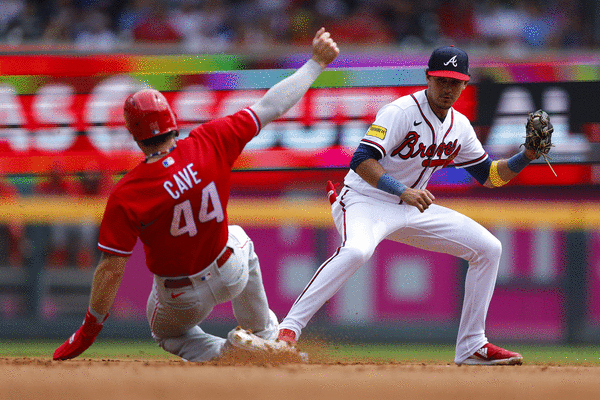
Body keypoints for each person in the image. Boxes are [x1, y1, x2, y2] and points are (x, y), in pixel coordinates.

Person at [53, 27, 339, 362]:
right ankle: (265, 338)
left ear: (134, 135)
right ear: (172, 121)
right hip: (229, 269)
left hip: (180, 296)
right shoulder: (210, 139)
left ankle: (231, 354)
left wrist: (89, 330)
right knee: (239, 238)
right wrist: (316, 63)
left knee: (167, 333)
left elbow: (111, 269)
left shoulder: (128, 191)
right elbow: (272, 105)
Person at [278, 45, 538, 366]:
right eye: (441, 80)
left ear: (465, 84)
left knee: (489, 248)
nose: (447, 88)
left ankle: (472, 345)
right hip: (365, 199)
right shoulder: (400, 111)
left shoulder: (460, 126)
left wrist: (525, 156)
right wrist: (402, 191)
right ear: (428, 77)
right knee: (357, 250)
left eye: (454, 82)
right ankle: (286, 331)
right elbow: (361, 160)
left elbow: (490, 176)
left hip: (410, 206)